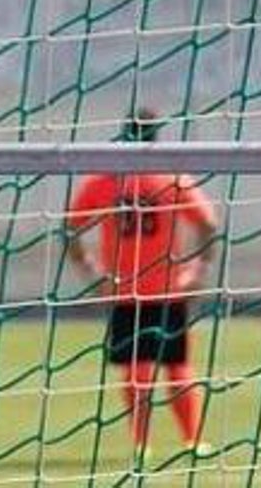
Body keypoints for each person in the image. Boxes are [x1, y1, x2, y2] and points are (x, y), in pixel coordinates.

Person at [65, 109, 219, 460]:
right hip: (167, 287)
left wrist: (91, 272)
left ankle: (141, 445)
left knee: (137, 370)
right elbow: (209, 223)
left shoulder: (105, 180)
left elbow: (70, 227)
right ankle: (192, 441)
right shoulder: (171, 178)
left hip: (124, 289)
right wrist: (197, 271)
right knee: (177, 366)